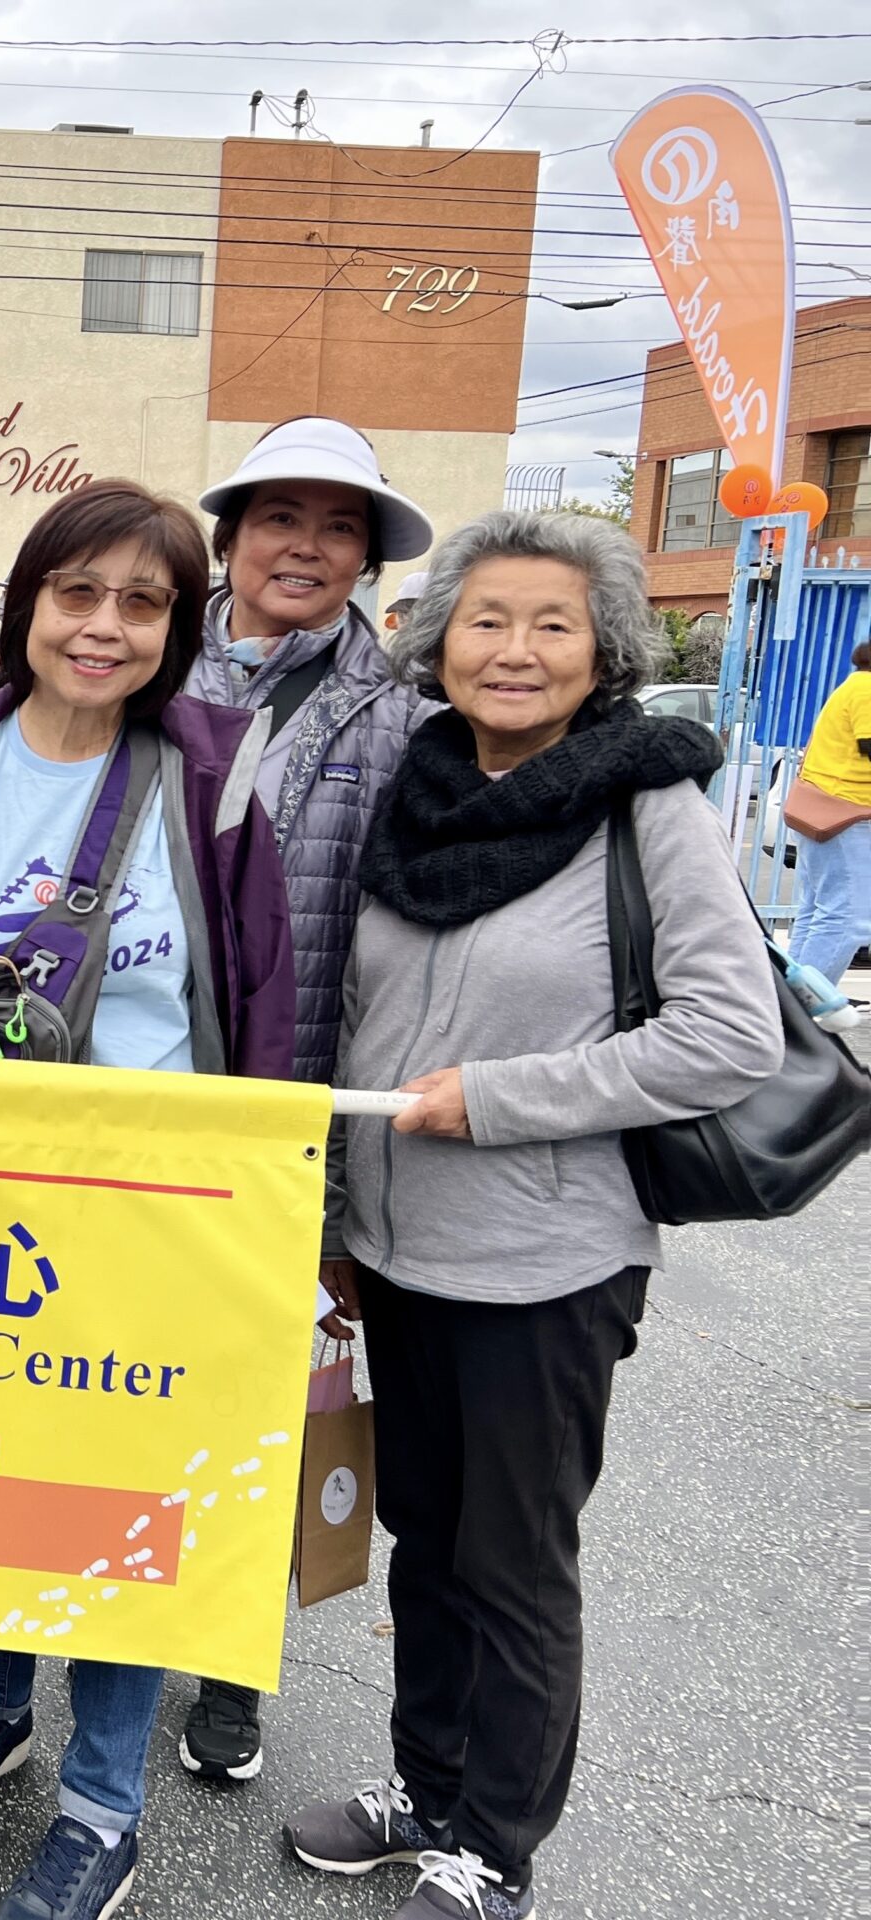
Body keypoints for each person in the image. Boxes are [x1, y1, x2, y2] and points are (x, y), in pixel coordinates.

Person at [287, 510, 783, 1920]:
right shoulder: (419, 788)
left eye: (551, 624)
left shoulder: (645, 804)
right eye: (487, 620)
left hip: (548, 1263)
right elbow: (362, 1015)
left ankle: (497, 1845)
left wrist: (498, 1099)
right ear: (439, 642)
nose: (515, 650)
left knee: (511, 1564)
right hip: (402, 1253)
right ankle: (425, 1782)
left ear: (602, 650)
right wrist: (339, 1218)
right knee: (425, 1538)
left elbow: (729, 1035)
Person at [0, 478, 296, 1920]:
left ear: (178, 626)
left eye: (141, 602)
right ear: (25, 601)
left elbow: (266, 997)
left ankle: (104, 1800)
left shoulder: (214, 778)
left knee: (114, 1509)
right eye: (76, 593)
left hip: (153, 1214)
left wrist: (277, 1210)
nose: (104, 626)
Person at [174, 413, 436, 1781]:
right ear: (229, 538)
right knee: (106, 1369)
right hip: (142, 1099)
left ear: (366, 562)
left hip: (296, 1122)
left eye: (341, 529)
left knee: (268, 1401)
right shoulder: (144, 662)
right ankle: (82, 1612)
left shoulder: (404, 721)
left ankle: (229, 1658)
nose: (307, 548)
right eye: (280, 517)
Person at [786, 637, 871, 990]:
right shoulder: (866, 689)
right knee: (848, 920)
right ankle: (808, 1004)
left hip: (826, 812)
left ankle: (789, 1001)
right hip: (847, 816)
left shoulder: (853, 685)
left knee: (817, 913)